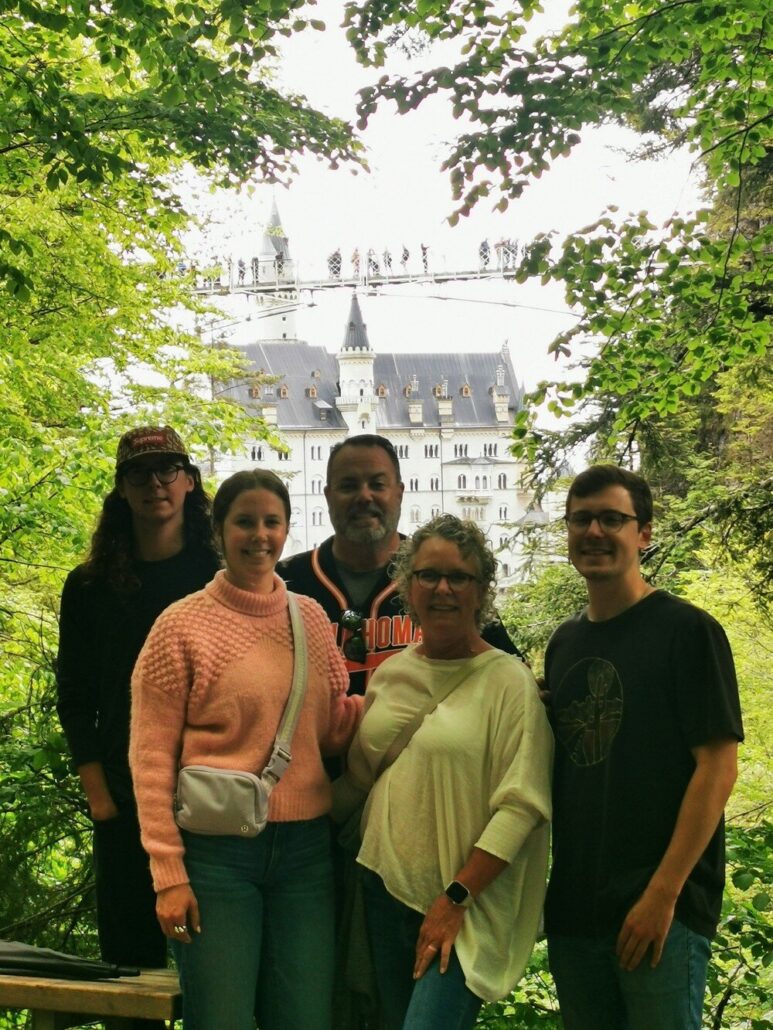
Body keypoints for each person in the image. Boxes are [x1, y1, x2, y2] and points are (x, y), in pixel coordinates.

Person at [129, 469, 361, 1030]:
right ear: (219, 529)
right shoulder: (181, 626)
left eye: (272, 522)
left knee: (306, 1018)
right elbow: (150, 756)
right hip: (215, 857)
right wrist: (169, 875)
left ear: (286, 529)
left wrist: (410, 688)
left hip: (305, 852)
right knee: (221, 1019)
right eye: (245, 522)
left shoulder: (308, 617)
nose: (260, 535)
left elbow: (330, 730)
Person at [333, 514, 553, 1029]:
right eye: (428, 575)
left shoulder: (508, 682)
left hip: (461, 907)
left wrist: (455, 898)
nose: (443, 589)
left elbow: (521, 806)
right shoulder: (392, 674)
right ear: (408, 587)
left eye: (459, 577)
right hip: (382, 888)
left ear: (481, 592)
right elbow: (360, 781)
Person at [544, 465, 743, 1030]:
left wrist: (663, 895)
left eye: (613, 518)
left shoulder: (687, 631)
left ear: (645, 533)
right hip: (576, 910)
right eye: (581, 519)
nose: (595, 532)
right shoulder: (564, 643)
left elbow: (718, 769)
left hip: (660, 910)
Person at [56, 428, 220, 1001]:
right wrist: (99, 797)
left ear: (190, 481)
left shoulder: (220, 576)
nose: (155, 484)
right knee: (129, 975)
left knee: (218, 970)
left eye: (168, 470)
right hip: (125, 799)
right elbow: (74, 693)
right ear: (120, 491)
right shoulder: (90, 586)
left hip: (211, 794)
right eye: (139, 474)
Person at [278, 434, 522, 699]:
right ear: (328, 496)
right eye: (348, 486)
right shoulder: (286, 582)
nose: (364, 496)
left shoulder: (441, 579)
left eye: (377, 484)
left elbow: (507, 668)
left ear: (400, 493)